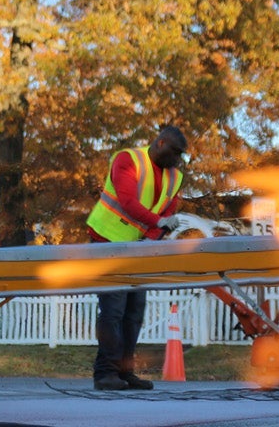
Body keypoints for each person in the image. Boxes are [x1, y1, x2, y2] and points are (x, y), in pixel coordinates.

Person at [84, 125, 188, 390]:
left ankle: (124, 372)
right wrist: (160, 221)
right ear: (161, 142)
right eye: (175, 152)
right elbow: (129, 202)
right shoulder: (127, 160)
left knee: (133, 313)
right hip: (106, 241)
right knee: (114, 310)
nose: (177, 160)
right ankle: (105, 373)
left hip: (136, 247)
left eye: (180, 156)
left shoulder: (174, 177)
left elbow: (165, 213)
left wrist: (159, 231)